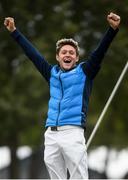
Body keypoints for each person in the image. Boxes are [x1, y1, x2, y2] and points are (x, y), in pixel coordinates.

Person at [4, 12, 120, 179]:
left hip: (72, 132)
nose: (67, 55)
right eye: (64, 52)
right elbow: (32, 54)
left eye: (71, 53)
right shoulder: (51, 73)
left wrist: (112, 30)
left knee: (78, 177)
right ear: (58, 57)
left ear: (76, 58)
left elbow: (99, 52)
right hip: (51, 134)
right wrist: (14, 31)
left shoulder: (85, 72)